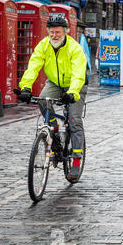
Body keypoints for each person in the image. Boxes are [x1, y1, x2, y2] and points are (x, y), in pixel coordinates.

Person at [16, 16, 88, 181]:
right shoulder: (44, 45)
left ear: (65, 32)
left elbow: (78, 73)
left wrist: (73, 92)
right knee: (42, 100)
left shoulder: (74, 48)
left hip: (76, 84)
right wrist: (25, 87)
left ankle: (76, 161)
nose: (54, 35)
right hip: (55, 83)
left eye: (58, 32)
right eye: (51, 32)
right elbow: (33, 65)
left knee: (75, 120)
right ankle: (54, 131)